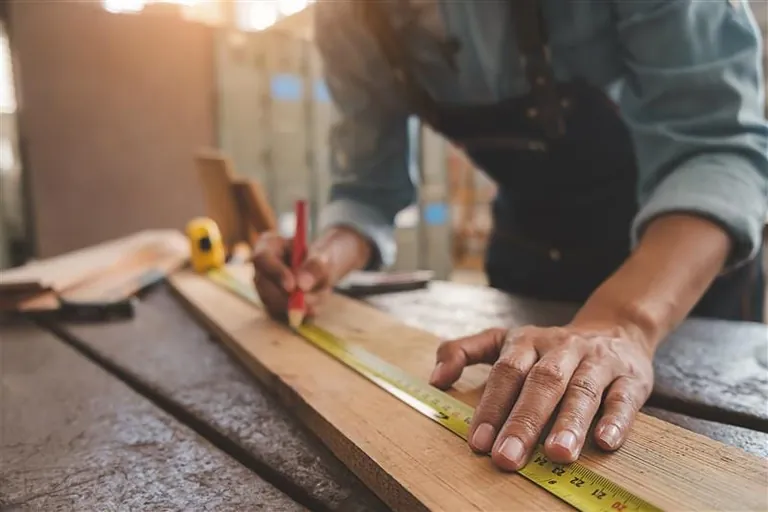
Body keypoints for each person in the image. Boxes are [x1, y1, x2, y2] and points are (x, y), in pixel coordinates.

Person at [252, 0, 768, 473]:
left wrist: (625, 321)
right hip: (532, 252)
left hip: (680, 264)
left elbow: (716, 149)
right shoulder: (347, 14)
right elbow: (367, 187)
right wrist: (320, 260)